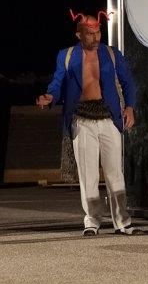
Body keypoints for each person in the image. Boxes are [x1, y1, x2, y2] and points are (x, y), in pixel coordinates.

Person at [36, 13, 142, 236]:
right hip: (82, 119)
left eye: (98, 32)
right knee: (88, 173)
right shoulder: (66, 56)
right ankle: (92, 221)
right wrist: (50, 97)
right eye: (90, 33)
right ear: (79, 34)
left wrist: (130, 107)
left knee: (115, 172)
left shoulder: (112, 54)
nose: (96, 37)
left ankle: (122, 222)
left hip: (109, 118)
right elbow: (58, 83)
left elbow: (128, 82)